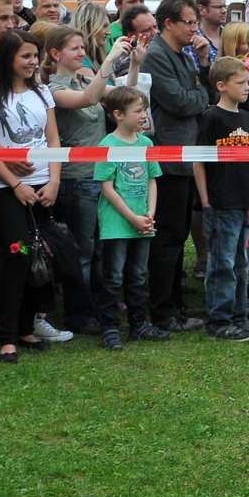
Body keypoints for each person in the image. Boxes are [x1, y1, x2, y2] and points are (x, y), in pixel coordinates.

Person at [0, 29, 64, 361]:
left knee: (39, 256)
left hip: (43, 188)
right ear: (8, 58)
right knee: (18, 253)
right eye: (25, 55)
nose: (32, 61)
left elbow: (53, 142)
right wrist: (14, 184)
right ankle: (7, 337)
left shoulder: (42, 93)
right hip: (5, 190)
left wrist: (53, 182)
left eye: (34, 55)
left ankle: (26, 328)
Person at [48, 26, 135, 335]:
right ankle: (79, 314)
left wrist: (135, 62)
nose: (81, 52)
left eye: (82, 47)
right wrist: (109, 60)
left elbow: (127, 97)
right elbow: (87, 99)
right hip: (76, 179)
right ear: (56, 54)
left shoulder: (87, 77)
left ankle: (98, 309)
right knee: (82, 251)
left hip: (98, 177)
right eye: (74, 48)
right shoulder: (53, 87)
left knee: (99, 248)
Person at [142, 0, 210, 331]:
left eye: (196, 22)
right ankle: (162, 312)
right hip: (168, 159)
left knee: (177, 234)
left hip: (185, 157)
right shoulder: (157, 56)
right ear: (168, 23)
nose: (195, 28)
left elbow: (200, 92)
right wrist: (200, 94)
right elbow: (183, 102)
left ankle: (176, 305)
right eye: (189, 22)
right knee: (167, 237)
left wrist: (202, 63)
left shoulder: (183, 56)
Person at [193, 57, 249, 342]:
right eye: (241, 82)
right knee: (222, 262)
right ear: (222, 86)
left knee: (241, 262)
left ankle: (240, 315)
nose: (248, 86)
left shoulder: (247, 117)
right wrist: (206, 202)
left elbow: (248, 163)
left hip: (242, 200)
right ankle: (219, 320)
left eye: (248, 81)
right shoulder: (212, 117)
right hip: (219, 201)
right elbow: (198, 161)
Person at [95, 86, 169, 349]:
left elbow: (152, 179)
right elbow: (107, 187)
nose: (143, 115)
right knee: (114, 277)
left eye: (144, 110)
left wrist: (149, 212)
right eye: (138, 111)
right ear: (118, 114)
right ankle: (110, 327)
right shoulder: (107, 145)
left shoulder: (146, 143)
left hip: (143, 222)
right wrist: (132, 217)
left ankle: (139, 324)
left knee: (138, 275)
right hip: (117, 224)